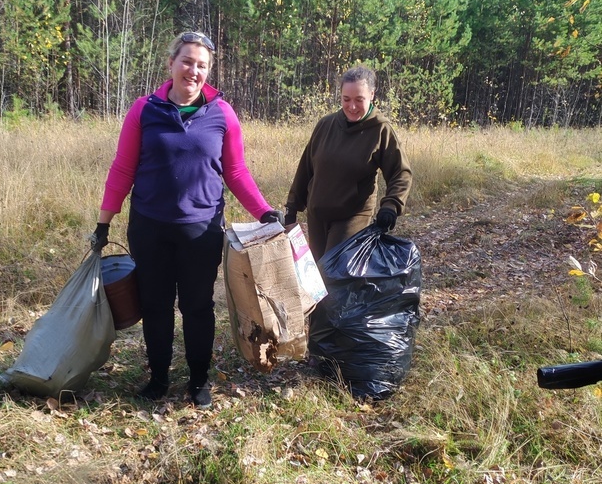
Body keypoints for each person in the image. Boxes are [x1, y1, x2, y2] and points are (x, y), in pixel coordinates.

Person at [91, 30, 283, 409]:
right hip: (150, 228)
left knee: (197, 307)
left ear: (208, 71)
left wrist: (264, 212)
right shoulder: (144, 110)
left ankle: (198, 380)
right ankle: (159, 378)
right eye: (187, 62)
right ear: (171, 64)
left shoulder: (222, 114)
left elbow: (237, 173)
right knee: (156, 306)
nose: (193, 71)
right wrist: (103, 222)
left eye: (202, 65)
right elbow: (122, 169)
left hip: (201, 231)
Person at [284, 66, 412, 261]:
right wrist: (292, 208)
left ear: (371, 94)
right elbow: (306, 168)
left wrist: (391, 206)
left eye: (359, 100)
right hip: (318, 215)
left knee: (335, 274)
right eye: (346, 99)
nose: (352, 106)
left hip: (353, 216)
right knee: (318, 278)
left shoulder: (380, 129)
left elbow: (400, 172)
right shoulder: (326, 125)